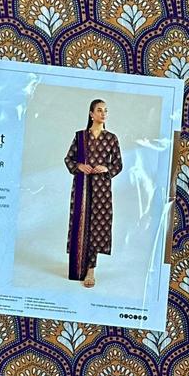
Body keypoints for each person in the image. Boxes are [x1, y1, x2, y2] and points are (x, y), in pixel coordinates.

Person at [64, 98, 123, 288]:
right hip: (82, 186)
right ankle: (78, 265)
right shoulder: (81, 137)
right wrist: (79, 166)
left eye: (106, 110)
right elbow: (69, 159)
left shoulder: (111, 138)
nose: (103, 113)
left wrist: (106, 168)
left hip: (101, 189)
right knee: (81, 223)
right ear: (91, 114)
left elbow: (118, 164)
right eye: (99, 110)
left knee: (97, 227)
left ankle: (91, 270)